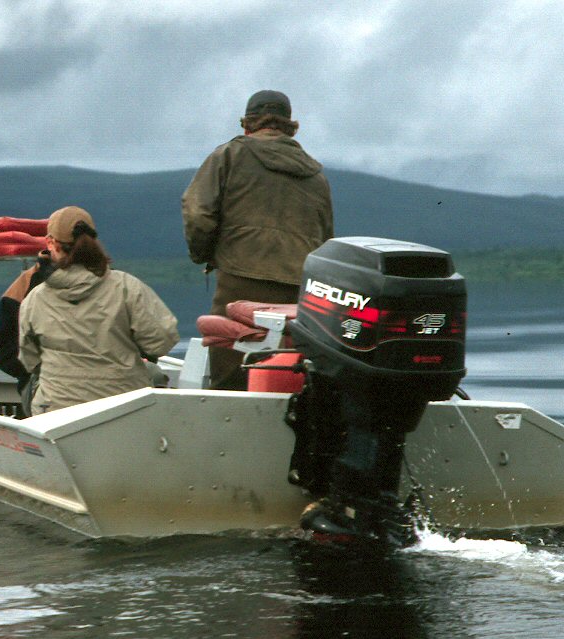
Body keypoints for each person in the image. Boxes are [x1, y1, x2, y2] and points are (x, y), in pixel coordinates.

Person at [182, 89, 334, 389]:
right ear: (290, 126)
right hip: (297, 290)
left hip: (239, 281)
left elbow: (198, 212)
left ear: (247, 124)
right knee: (286, 375)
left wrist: (204, 253)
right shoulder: (316, 174)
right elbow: (326, 238)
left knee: (230, 377)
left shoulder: (229, 155)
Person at [18, 206, 179, 415]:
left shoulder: (34, 299)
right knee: (153, 374)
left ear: (51, 244)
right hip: (125, 407)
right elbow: (161, 341)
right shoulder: (126, 287)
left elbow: (28, 359)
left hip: (56, 410)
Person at [0, 248, 53, 415]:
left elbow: (0, 347)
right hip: (115, 396)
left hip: (48, 398)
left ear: (52, 244)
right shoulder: (120, 285)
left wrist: (29, 374)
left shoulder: (30, 286)